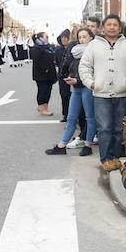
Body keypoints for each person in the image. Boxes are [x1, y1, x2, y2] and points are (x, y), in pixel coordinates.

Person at [79, 14, 126, 172]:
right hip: (101, 94)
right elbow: (84, 67)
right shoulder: (93, 45)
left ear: (120, 28)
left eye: (115, 24)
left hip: (123, 94)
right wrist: (91, 83)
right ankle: (106, 158)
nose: (112, 27)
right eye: (109, 24)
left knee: (119, 128)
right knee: (104, 128)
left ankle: (115, 157)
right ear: (103, 28)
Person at [45, 28, 96, 157]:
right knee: (71, 117)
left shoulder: (94, 51)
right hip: (76, 87)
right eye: (80, 37)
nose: (82, 39)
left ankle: (88, 145)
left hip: (87, 87)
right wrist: (70, 77)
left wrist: (77, 79)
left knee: (90, 118)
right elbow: (71, 68)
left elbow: (93, 72)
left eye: (85, 36)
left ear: (91, 37)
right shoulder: (75, 51)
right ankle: (61, 146)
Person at [30, 32, 57, 116]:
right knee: (42, 91)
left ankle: (45, 107)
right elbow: (36, 60)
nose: (47, 38)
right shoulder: (36, 48)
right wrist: (45, 69)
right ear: (40, 38)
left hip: (50, 74)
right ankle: (41, 108)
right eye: (46, 36)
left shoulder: (48, 46)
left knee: (48, 91)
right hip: (41, 75)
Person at [55, 30, 72, 122]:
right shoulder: (58, 50)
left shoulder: (73, 48)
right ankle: (65, 115)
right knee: (64, 96)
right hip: (62, 76)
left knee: (72, 96)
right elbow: (57, 62)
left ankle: (75, 116)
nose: (64, 40)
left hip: (73, 76)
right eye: (62, 38)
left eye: (66, 38)